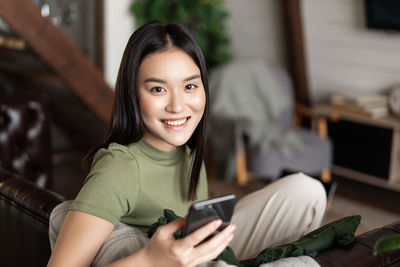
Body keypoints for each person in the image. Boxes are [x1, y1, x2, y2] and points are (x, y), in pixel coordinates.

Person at [47, 21, 326, 267]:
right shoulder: (119, 168)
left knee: (308, 190)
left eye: (190, 86)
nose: (178, 105)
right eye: (158, 89)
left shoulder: (188, 152)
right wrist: (150, 260)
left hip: (198, 250)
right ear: (133, 95)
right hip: (162, 259)